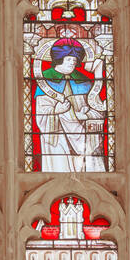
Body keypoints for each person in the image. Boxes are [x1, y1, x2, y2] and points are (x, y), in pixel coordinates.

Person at [33, 38, 108, 171]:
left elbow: (95, 106)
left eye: (74, 60)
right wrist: (56, 110)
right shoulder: (45, 79)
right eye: (69, 59)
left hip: (83, 134)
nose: (72, 63)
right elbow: (41, 112)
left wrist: (87, 115)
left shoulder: (83, 80)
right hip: (57, 136)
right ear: (59, 59)